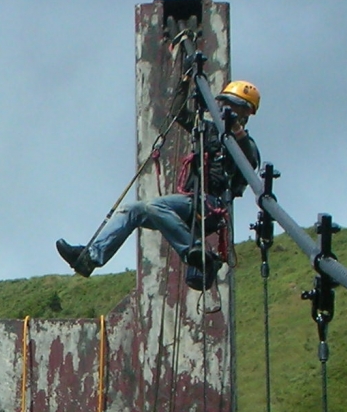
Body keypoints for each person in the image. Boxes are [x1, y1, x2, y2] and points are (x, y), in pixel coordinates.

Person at [56, 80, 263, 289]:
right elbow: (178, 114)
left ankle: (197, 252)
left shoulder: (246, 146)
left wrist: (235, 129)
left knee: (154, 206)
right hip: (191, 201)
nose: (225, 109)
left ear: (246, 113)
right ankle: (90, 258)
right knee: (132, 210)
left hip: (211, 206)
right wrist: (184, 84)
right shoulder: (206, 131)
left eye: (233, 106)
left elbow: (247, 159)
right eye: (224, 103)